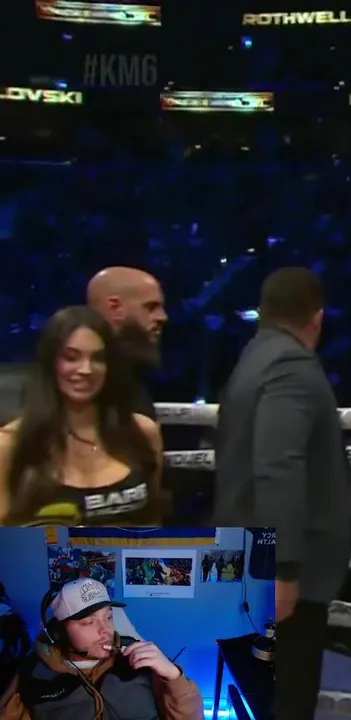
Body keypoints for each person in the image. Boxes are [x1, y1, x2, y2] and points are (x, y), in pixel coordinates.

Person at [211, 266, 351, 720]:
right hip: (283, 571)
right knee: (287, 702)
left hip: (250, 555)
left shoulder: (254, 357)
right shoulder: (291, 365)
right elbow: (279, 464)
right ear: (318, 318)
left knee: (268, 700)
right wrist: (284, 566)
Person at [0, 306, 164, 526]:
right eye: (71, 357)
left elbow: (154, 521)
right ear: (51, 363)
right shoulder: (10, 445)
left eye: (97, 358)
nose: (86, 369)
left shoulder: (142, 432)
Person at [0, 578, 202, 720]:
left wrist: (174, 677)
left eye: (108, 617)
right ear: (59, 632)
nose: (105, 630)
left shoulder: (143, 661)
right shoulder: (30, 675)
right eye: (89, 622)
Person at [84, 267, 169, 420]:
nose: (162, 317)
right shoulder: (86, 381)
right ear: (115, 307)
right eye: (151, 307)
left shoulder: (129, 380)